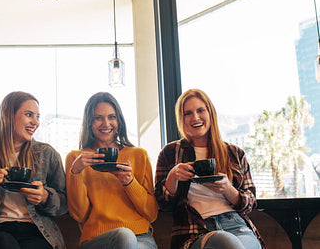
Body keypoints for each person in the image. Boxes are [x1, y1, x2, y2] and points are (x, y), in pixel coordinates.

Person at [154, 89, 266, 249]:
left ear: (210, 113)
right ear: (181, 119)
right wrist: (173, 177)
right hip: (195, 230)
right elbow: (162, 204)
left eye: (200, 110)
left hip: (235, 224)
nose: (195, 117)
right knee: (225, 242)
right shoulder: (170, 153)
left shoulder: (235, 153)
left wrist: (229, 190)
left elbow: (251, 203)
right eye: (187, 113)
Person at [0, 91, 68, 249]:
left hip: (37, 231)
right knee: (4, 243)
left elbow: (64, 204)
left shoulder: (47, 154)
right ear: (7, 115)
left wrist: (44, 197)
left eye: (37, 117)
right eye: (29, 115)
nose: (35, 122)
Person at [66, 92, 158, 249]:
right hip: (97, 239)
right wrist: (75, 173)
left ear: (119, 121)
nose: (106, 123)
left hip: (141, 238)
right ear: (89, 122)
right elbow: (79, 215)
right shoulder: (77, 159)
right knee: (123, 235)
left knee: (127, 237)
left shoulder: (138, 155)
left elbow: (151, 214)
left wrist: (129, 182)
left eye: (111, 117)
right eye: (98, 118)